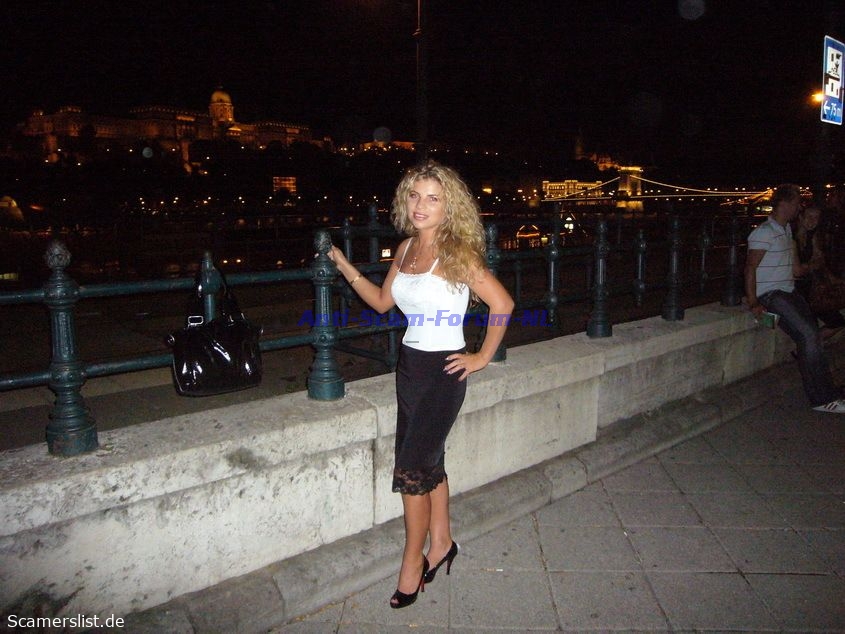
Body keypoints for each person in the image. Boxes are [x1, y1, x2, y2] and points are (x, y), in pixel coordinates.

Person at [326, 160, 515, 608]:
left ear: (449, 206)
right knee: (430, 462)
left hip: (444, 372)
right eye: (414, 195)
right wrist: (343, 264)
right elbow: (381, 302)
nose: (420, 205)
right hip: (409, 368)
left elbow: (502, 303)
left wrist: (481, 357)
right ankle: (442, 541)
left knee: (411, 471)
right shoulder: (407, 247)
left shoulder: (456, 253)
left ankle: (412, 563)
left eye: (433, 198)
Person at [744, 183, 845, 414]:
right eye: (798, 203)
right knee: (809, 335)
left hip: (788, 291)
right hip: (771, 294)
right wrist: (753, 302)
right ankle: (823, 399)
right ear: (786, 204)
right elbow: (750, 268)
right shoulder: (764, 232)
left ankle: (828, 392)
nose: (799, 208)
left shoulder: (785, 230)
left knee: (812, 336)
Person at [793, 204, 845, 339]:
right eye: (809, 217)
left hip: (813, 288)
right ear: (801, 217)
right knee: (813, 325)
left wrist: (807, 266)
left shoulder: (813, 237)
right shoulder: (792, 238)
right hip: (798, 289)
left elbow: (819, 261)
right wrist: (810, 266)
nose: (812, 221)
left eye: (816, 218)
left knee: (835, 321)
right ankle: (811, 347)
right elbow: (797, 270)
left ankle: (812, 346)